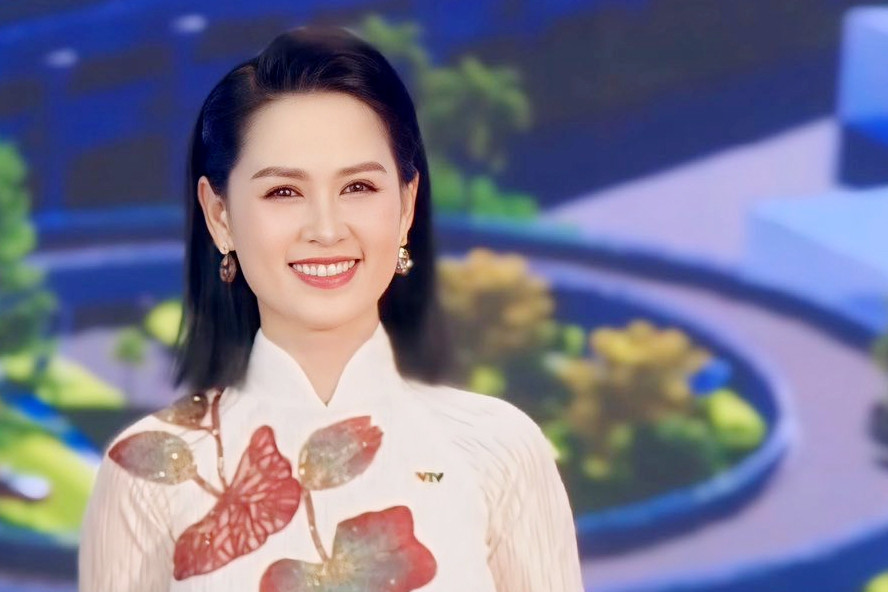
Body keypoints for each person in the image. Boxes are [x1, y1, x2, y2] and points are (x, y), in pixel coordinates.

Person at [77, 24, 584, 592]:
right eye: (284, 192)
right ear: (220, 217)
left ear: (406, 206)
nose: (325, 229)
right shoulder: (147, 469)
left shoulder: (499, 449)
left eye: (358, 187)